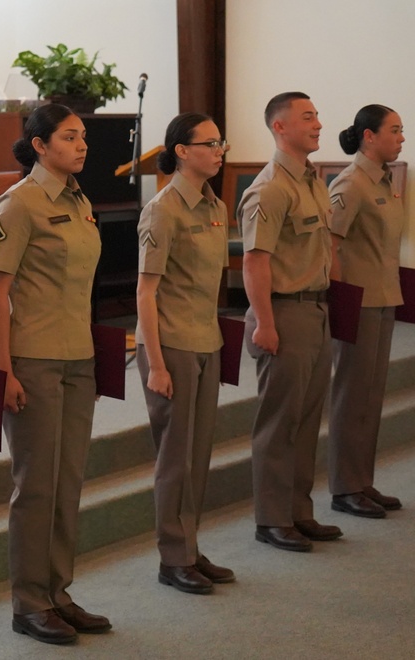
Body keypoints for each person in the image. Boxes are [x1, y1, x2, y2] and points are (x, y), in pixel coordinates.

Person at [0, 104, 110, 645]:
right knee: (35, 486)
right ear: (39, 145)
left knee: (68, 481)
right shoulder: (18, 204)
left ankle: (59, 592)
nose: (82, 146)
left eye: (83, 137)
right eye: (69, 137)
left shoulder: (80, 201)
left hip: (77, 358)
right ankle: (28, 602)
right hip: (32, 360)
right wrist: (2, 370)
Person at [135, 112, 234, 594]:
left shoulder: (215, 204)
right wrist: (154, 363)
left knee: (197, 455)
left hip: (206, 342)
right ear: (180, 150)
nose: (219, 151)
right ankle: (173, 558)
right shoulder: (163, 209)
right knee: (175, 458)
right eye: (210, 143)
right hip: (170, 345)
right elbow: (145, 293)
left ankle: (189, 547)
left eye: (222, 143)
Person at [238, 91, 339, 553]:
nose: (317, 124)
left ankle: (299, 511)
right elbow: (255, 261)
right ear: (279, 127)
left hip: (315, 310)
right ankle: (272, 518)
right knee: (279, 422)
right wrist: (264, 322)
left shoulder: (314, 182)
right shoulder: (270, 188)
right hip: (284, 311)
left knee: (307, 417)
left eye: (317, 116)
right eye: (307, 117)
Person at [326, 105, 406, 518]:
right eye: (395, 130)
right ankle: (343, 487)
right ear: (369, 137)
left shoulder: (387, 181)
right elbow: (330, 245)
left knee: (371, 398)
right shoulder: (350, 183)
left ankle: (362, 481)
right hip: (358, 303)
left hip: (384, 298)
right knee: (351, 397)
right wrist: (341, 305)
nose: (402, 138)